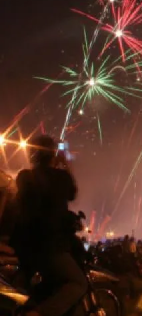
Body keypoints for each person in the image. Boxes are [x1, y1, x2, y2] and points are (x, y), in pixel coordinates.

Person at [13, 135, 87, 316]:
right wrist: (64, 164)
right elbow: (72, 193)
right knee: (79, 283)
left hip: (25, 246)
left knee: (46, 285)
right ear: (53, 155)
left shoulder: (24, 177)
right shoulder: (61, 178)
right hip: (51, 246)